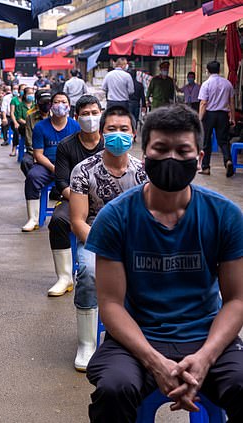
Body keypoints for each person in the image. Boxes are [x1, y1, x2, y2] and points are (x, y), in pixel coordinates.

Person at [85, 104, 243, 422]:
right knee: (114, 389)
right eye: (161, 148)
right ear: (146, 158)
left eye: (182, 150)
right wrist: (156, 362)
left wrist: (205, 357)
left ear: (199, 158)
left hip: (206, 334)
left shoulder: (225, 215)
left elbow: (237, 299)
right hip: (136, 339)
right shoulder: (116, 217)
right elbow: (111, 304)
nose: (171, 157)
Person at [69, 105, 147, 372]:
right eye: (111, 129)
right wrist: (108, 245)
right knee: (90, 272)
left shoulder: (143, 172)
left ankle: (145, 336)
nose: (118, 135)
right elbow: (78, 220)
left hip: (135, 239)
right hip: (95, 237)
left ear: (133, 134)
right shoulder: (83, 170)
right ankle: (87, 342)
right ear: (102, 133)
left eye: (123, 129)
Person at [46, 95, 105, 297]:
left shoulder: (111, 142)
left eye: (94, 113)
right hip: (73, 197)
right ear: (77, 117)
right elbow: (61, 181)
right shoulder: (66, 145)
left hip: (107, 200)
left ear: (101, 114)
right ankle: (64, 277)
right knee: (58, 220)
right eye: (85, 114)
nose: (90, 118)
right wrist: (81, 200)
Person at [22, 92, 80, 232]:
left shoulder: (75, 126)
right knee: (32, 177)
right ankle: (33, 218)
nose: (60, 105)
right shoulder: (41, 127)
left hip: (69, 166)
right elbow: (38, 154)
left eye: (64, 102)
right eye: (56, 102)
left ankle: (78, 216)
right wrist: (53, 168)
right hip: (46, 166)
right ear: (51, 106)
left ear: (69, 106)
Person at [198, 60, 235, 177]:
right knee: (223, 141)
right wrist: (232, 117)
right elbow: (232, 103)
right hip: (223, 115)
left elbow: (203, 103)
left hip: (209, 115)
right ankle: (228, 160)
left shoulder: (206, 84)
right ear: (219, 70)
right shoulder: (227, 83)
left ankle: (206, 168)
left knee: (206, 141)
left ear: (207, 71)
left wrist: (200, 118)